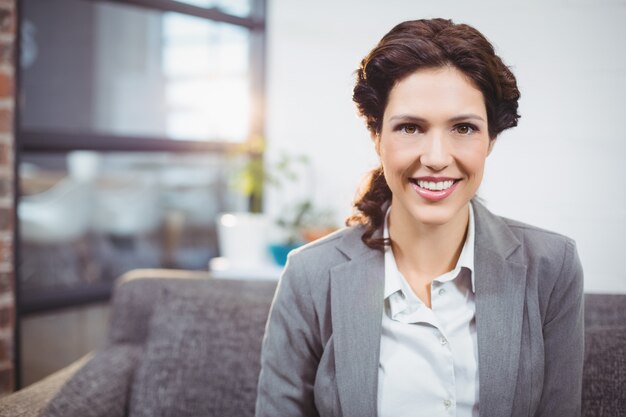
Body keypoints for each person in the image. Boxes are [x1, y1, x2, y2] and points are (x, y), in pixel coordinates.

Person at [255, 18, 584, 417]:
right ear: (377, 136)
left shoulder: (552, 267)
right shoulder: (309, 275)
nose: (436, 158)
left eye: (463, 128)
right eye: (410, 127)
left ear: (491, 139)